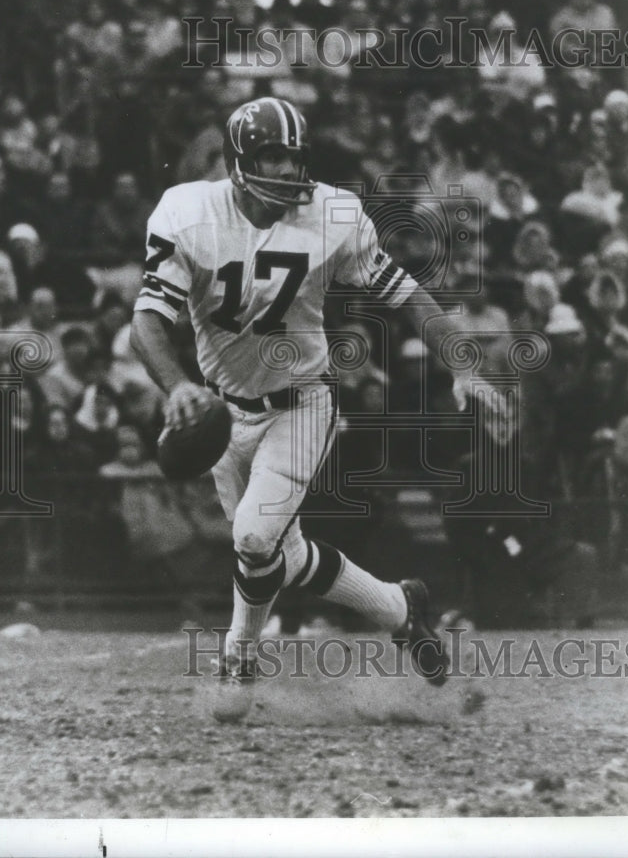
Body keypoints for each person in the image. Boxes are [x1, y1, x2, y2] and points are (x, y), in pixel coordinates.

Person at [130, 97, 507, 722]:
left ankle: (237, 660)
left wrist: (462, 364)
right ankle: (398, 607)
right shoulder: (188, 210)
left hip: (301, 402)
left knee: (255, 536)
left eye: (292, 157)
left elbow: (408, 294)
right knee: (276, 551)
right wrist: (175, 386)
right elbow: (146, 320)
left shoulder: (333, 212)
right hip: (223, 409)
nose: (284, 170)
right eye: (270, 156)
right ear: (237, 161)